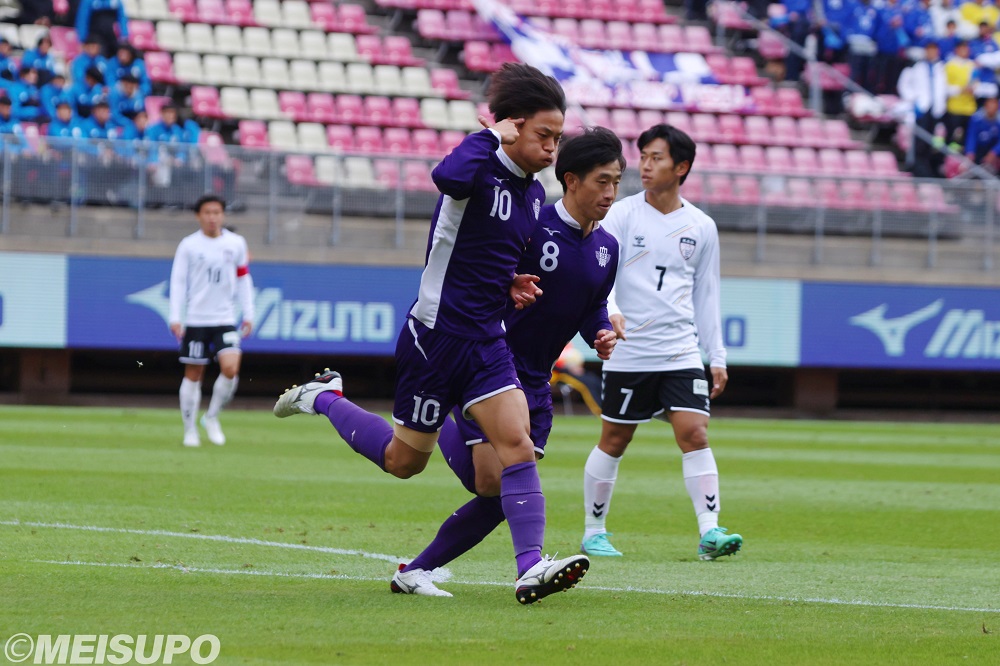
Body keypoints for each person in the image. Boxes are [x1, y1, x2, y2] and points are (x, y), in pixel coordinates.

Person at [272, 63, 590, 605]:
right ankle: (324, 397)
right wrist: (490, 135)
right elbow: (445, 179)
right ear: (513, 127)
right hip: (433, 338)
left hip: (486, 340)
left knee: (517, 447)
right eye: (544, 135)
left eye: (559, 137)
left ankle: (530, 567)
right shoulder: (476, 166)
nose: (553, 148)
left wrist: (510, 280)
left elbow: (489, 248)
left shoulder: (535, 195)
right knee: (403, 463)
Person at [390, 127, 623, 597]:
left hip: (536, 380)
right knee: (499, 479)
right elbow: (481, 272)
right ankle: (530, 566)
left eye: (617, 181)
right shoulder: (535, 225)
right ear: (571, 180)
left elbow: (590, 305)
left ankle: (414, 572)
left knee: (500, 493)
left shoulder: (607, 248)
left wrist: (599, 331)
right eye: (602, 181)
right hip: (492, 364)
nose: (611, 192)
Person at [578, 124, 741, 562]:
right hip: (630, 351)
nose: (646, 166)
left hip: (680, 350)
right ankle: (594, 531)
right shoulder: (622, 214)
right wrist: (608, 311)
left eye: (657, 158)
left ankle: (710, 532)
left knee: (695, 432)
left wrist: (717, 356)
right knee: (614, 438)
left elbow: (707, 294)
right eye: (643, 157)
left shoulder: (701, 226)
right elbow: (599, 269)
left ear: (681, 167)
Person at [168, 194, 254, 447]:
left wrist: (248, 312)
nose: (212, 217)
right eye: (207, 212)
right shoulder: (188, 245)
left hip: (225, 318)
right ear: (199, 216)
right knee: (194, 374)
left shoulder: (236, 243)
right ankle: (189, 429)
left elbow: (243, 278)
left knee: (231, 369)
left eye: (216, 212)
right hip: (196, 319)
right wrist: (175, 316)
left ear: (223, 215)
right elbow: (178, 281)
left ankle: (212, 416)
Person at [897, 42, 948, 176]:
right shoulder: (916, 66)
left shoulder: (941, 67)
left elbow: (942, 88)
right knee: (919, 141)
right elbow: (904, 85)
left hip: (936, 109)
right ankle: (917, 168)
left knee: (932, 141)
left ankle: (928, 167)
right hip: (922, 108)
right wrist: (914, 99)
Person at [964, 94, 1000, 165]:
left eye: (994, 103)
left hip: (992, 149)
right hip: (979, 149)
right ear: (985, 105)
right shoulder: (976, 118)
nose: (992, 106)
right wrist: (970, 152)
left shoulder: (998, 120)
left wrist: (994, 152)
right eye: (990, 103)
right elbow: (971, 136)